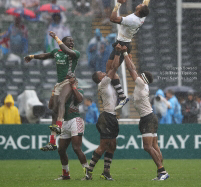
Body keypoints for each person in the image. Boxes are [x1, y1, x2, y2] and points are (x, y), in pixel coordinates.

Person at [108, 0, 162, 110]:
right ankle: (123, 95)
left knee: (111, 71)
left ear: (139, 11)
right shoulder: (142, 15)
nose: (140, 3)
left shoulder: (132, 20)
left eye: (140, 5)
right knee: (111, 71)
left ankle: (122, 96)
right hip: (125, 42)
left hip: (122, 44)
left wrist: (118, 4)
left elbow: (113, 19)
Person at [121, 45, 169, 181]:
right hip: (150, 117)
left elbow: (132, 70)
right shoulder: (144, 85)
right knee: (154, 146)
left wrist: (125, 53)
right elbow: (133, 69)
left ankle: (162, 171)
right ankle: (162, 172)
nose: (138, 75)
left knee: (148, 147)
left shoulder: (141, 84)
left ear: (143, 78)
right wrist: (129, 58)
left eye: (140, 76)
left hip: (147, 118)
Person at [24, 31, 80, 135]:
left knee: (61, 101)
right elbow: (45, 56)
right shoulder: (56, 52)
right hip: (59, 83)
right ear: (64, 42)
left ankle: (59, 125)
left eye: (73, 41)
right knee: (54, 111)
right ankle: (52, 141)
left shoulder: (75, 53)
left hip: (69, 81)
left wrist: (56, 38)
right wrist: (32, 56)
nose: (72, 42)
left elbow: (65, 49)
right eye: (70, 41)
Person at [83, 43, 122, 181]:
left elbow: (112, 69)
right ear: (99, 78)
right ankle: (89, 172)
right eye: (101, 73)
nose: (103, 72)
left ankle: (106, 172)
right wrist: (117, 52)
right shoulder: (103, 84)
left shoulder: (108, 83)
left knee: (112, 145)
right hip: (106, 117)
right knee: (103, 145)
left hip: (111, 116)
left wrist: (118, 53)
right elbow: (114, 68)